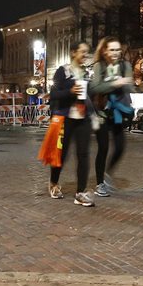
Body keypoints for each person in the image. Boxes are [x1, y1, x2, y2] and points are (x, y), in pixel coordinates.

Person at [47, 42, 95, 206]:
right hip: (65, 117)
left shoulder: (87, 72)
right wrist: (70, 92)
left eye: (87, 53)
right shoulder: (63, 71)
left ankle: (80, 193)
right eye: (83, 52)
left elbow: (89, 96)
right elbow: (53, 94)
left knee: (83, 154)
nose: (85, 55)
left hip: (82, 117)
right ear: (73, 53)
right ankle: (54, 183)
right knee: (61, 154)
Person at [90, 37, 134, 197]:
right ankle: (100, 183)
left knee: (120, 147)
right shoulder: (99, 66)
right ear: (104, 51)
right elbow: (95, 87)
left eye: (118, 50)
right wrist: (115, 83)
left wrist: (114, 84)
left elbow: (129, 86)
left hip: (118, 112)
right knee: (103, 147)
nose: (116, 53)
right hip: (102, 112)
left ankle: (107, 174)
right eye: (112, 50)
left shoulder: (125, 65)